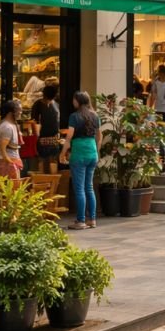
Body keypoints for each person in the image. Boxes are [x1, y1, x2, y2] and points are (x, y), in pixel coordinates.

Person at [59, 91, 101, 230]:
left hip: (79, 153)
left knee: (79, 188)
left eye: (74, 100)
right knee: (89, 187)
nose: (73, 102)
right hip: (92, 152)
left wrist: (63, 153)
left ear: (78, 101)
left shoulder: (74, 116)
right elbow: (99, 136)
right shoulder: (95, 115)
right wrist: (97, 150)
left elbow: (69, 137)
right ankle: (92, 219)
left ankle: (81, 220)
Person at [0, 99, 24, 179]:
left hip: (8, 161)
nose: (21, 112)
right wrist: (11, 163)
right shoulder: (7, 127)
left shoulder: (9, 124)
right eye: (19, 110)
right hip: (5, 163)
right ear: (11, 113)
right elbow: (2, 148)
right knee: (12, 189)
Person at [31, 85, 61, 174]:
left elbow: (34, 122)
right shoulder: (40, 105)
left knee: (50, 160)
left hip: (51, 137)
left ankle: (50, 181)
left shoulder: (54, 104)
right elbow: (35, 122)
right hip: (43, 137)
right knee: (45, 160)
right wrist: (36, 138)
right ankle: (45, 181)